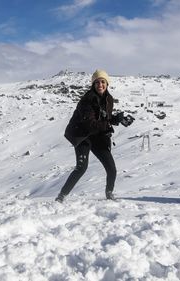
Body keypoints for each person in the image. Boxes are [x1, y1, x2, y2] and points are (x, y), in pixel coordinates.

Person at [55, 70, 134, 203]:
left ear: (107, 83)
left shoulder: (108, 99)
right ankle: (61, 196)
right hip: (82, 135)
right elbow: (90, 124)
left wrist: (118, 120)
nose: (100, 85)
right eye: (97, 82)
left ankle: (109, 193)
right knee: (81, 167)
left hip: (97, 136)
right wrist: (109, 122)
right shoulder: (87, 100)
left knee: (111, 168)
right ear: (93, 85)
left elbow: (105, 117)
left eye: (103, 82)